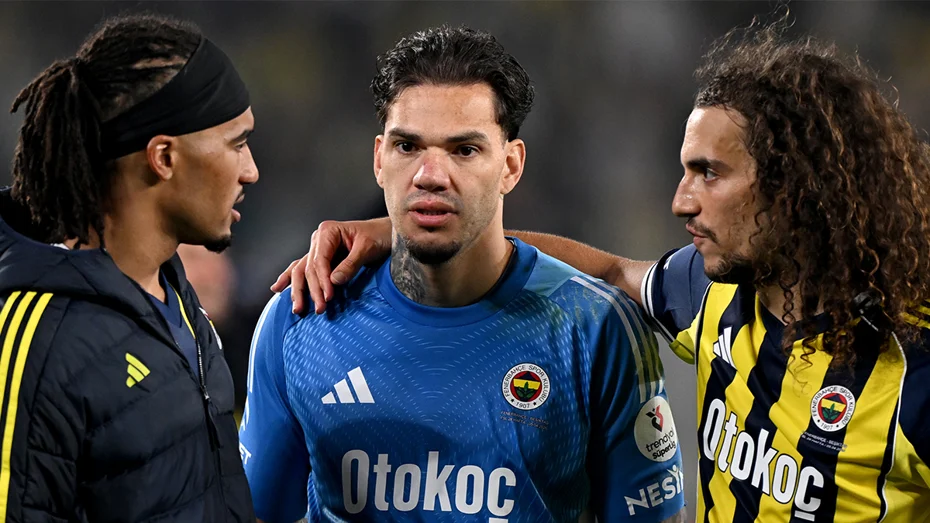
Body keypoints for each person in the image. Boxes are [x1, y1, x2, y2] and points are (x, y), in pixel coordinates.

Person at [277, 17, 930, 523]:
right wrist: (404, 234)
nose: (681, 201)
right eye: (684, 169)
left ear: (794, 188)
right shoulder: (705, 295)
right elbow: (612, 270)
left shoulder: (915, 368)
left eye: (709, 173)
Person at [242, 25, 686, 523]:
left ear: (510, 166)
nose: (430, 175)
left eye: (464, 150)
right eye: (408, 147)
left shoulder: (594, 328)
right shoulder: (301, 317)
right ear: (378, 159)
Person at [0, 13, 258, 521]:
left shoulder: (176, 299)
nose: (250, 170)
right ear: (164, 157)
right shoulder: (37, 340)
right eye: (237, 143)